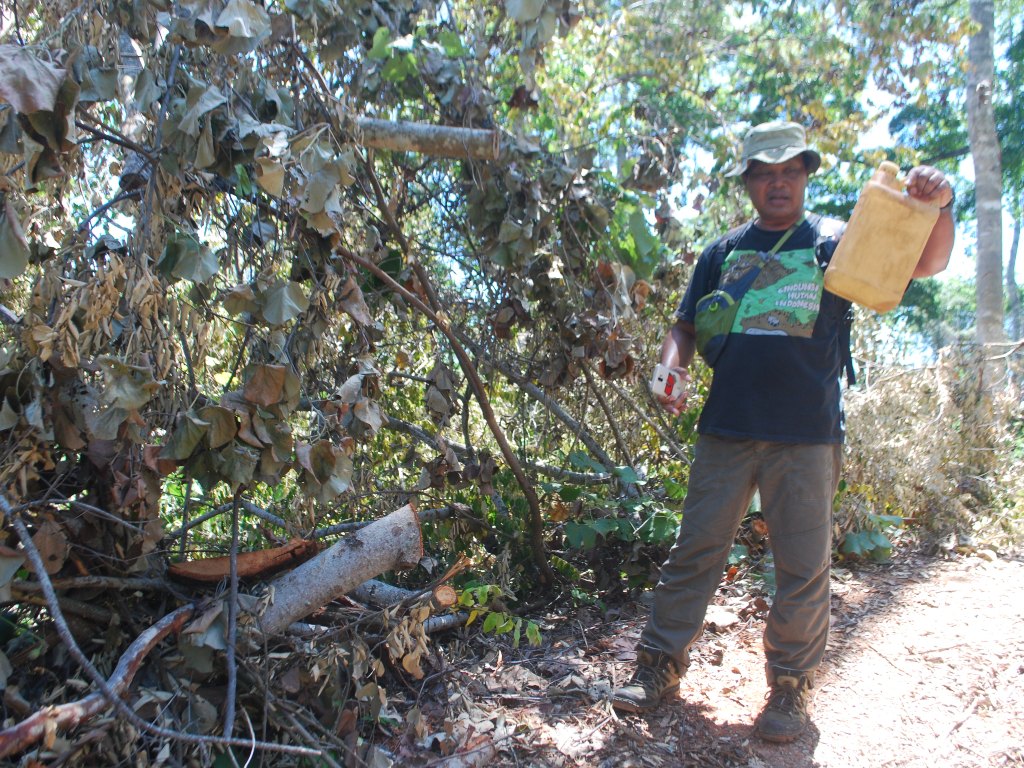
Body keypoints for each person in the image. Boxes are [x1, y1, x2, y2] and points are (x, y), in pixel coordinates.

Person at [611, 121, 954, 742]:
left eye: (789, 170)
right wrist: (670, 368)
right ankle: (658, 665)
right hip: (727, 429)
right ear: (747, 181)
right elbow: (685, 327)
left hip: (807, 434)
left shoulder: (832, 242)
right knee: (696, 550)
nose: (778, 182)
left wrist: (940, 204)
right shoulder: (721, 252)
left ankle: (790, 690)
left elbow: (924, 263)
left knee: (802, 565)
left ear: (805, 175)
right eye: (765, 172)